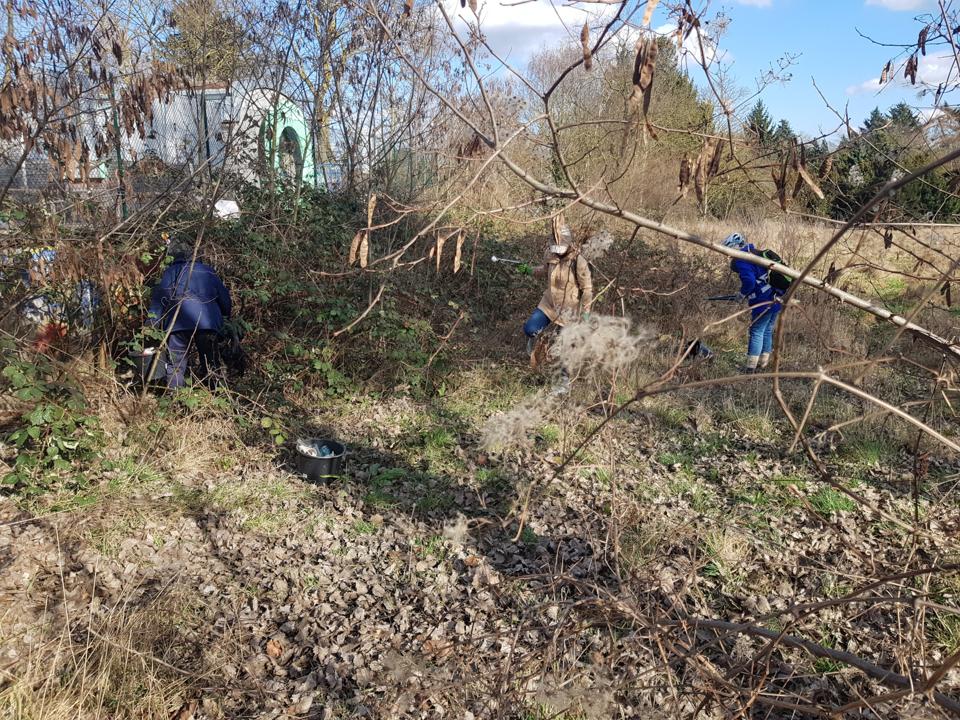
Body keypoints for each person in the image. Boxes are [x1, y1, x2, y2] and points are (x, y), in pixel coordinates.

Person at [148, 236, 232, 389]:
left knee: (176, 365)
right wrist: (226, 316)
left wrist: (151, 325)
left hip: (177, 325)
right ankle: (216, 395)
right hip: (207, 324)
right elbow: (224, 298)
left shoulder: (169, 273)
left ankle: (175, 399)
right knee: (211, 362)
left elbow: (158, 301)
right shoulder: (208, 271)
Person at [519, 223, 593, 357]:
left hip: (568, 309)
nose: (558, 252)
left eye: (560, 249)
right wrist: (529, 270)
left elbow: (587, 289)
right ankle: (533, 341)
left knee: (563, 349)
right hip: (549, 303)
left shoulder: (579, 261)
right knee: (530, 329)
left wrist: (586, 313)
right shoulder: (550, 253)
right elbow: (544, 270)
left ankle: (563, 375)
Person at [722, 232, 781, 372]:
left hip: (763, 301)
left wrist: (742, 294)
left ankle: (750, 367)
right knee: (767, 330)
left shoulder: (742, 260)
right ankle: (763, 362)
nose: (729, 257)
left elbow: (749, 281)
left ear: (733, 247)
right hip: (776, 296)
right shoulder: (755, 253)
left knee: (756, 331)